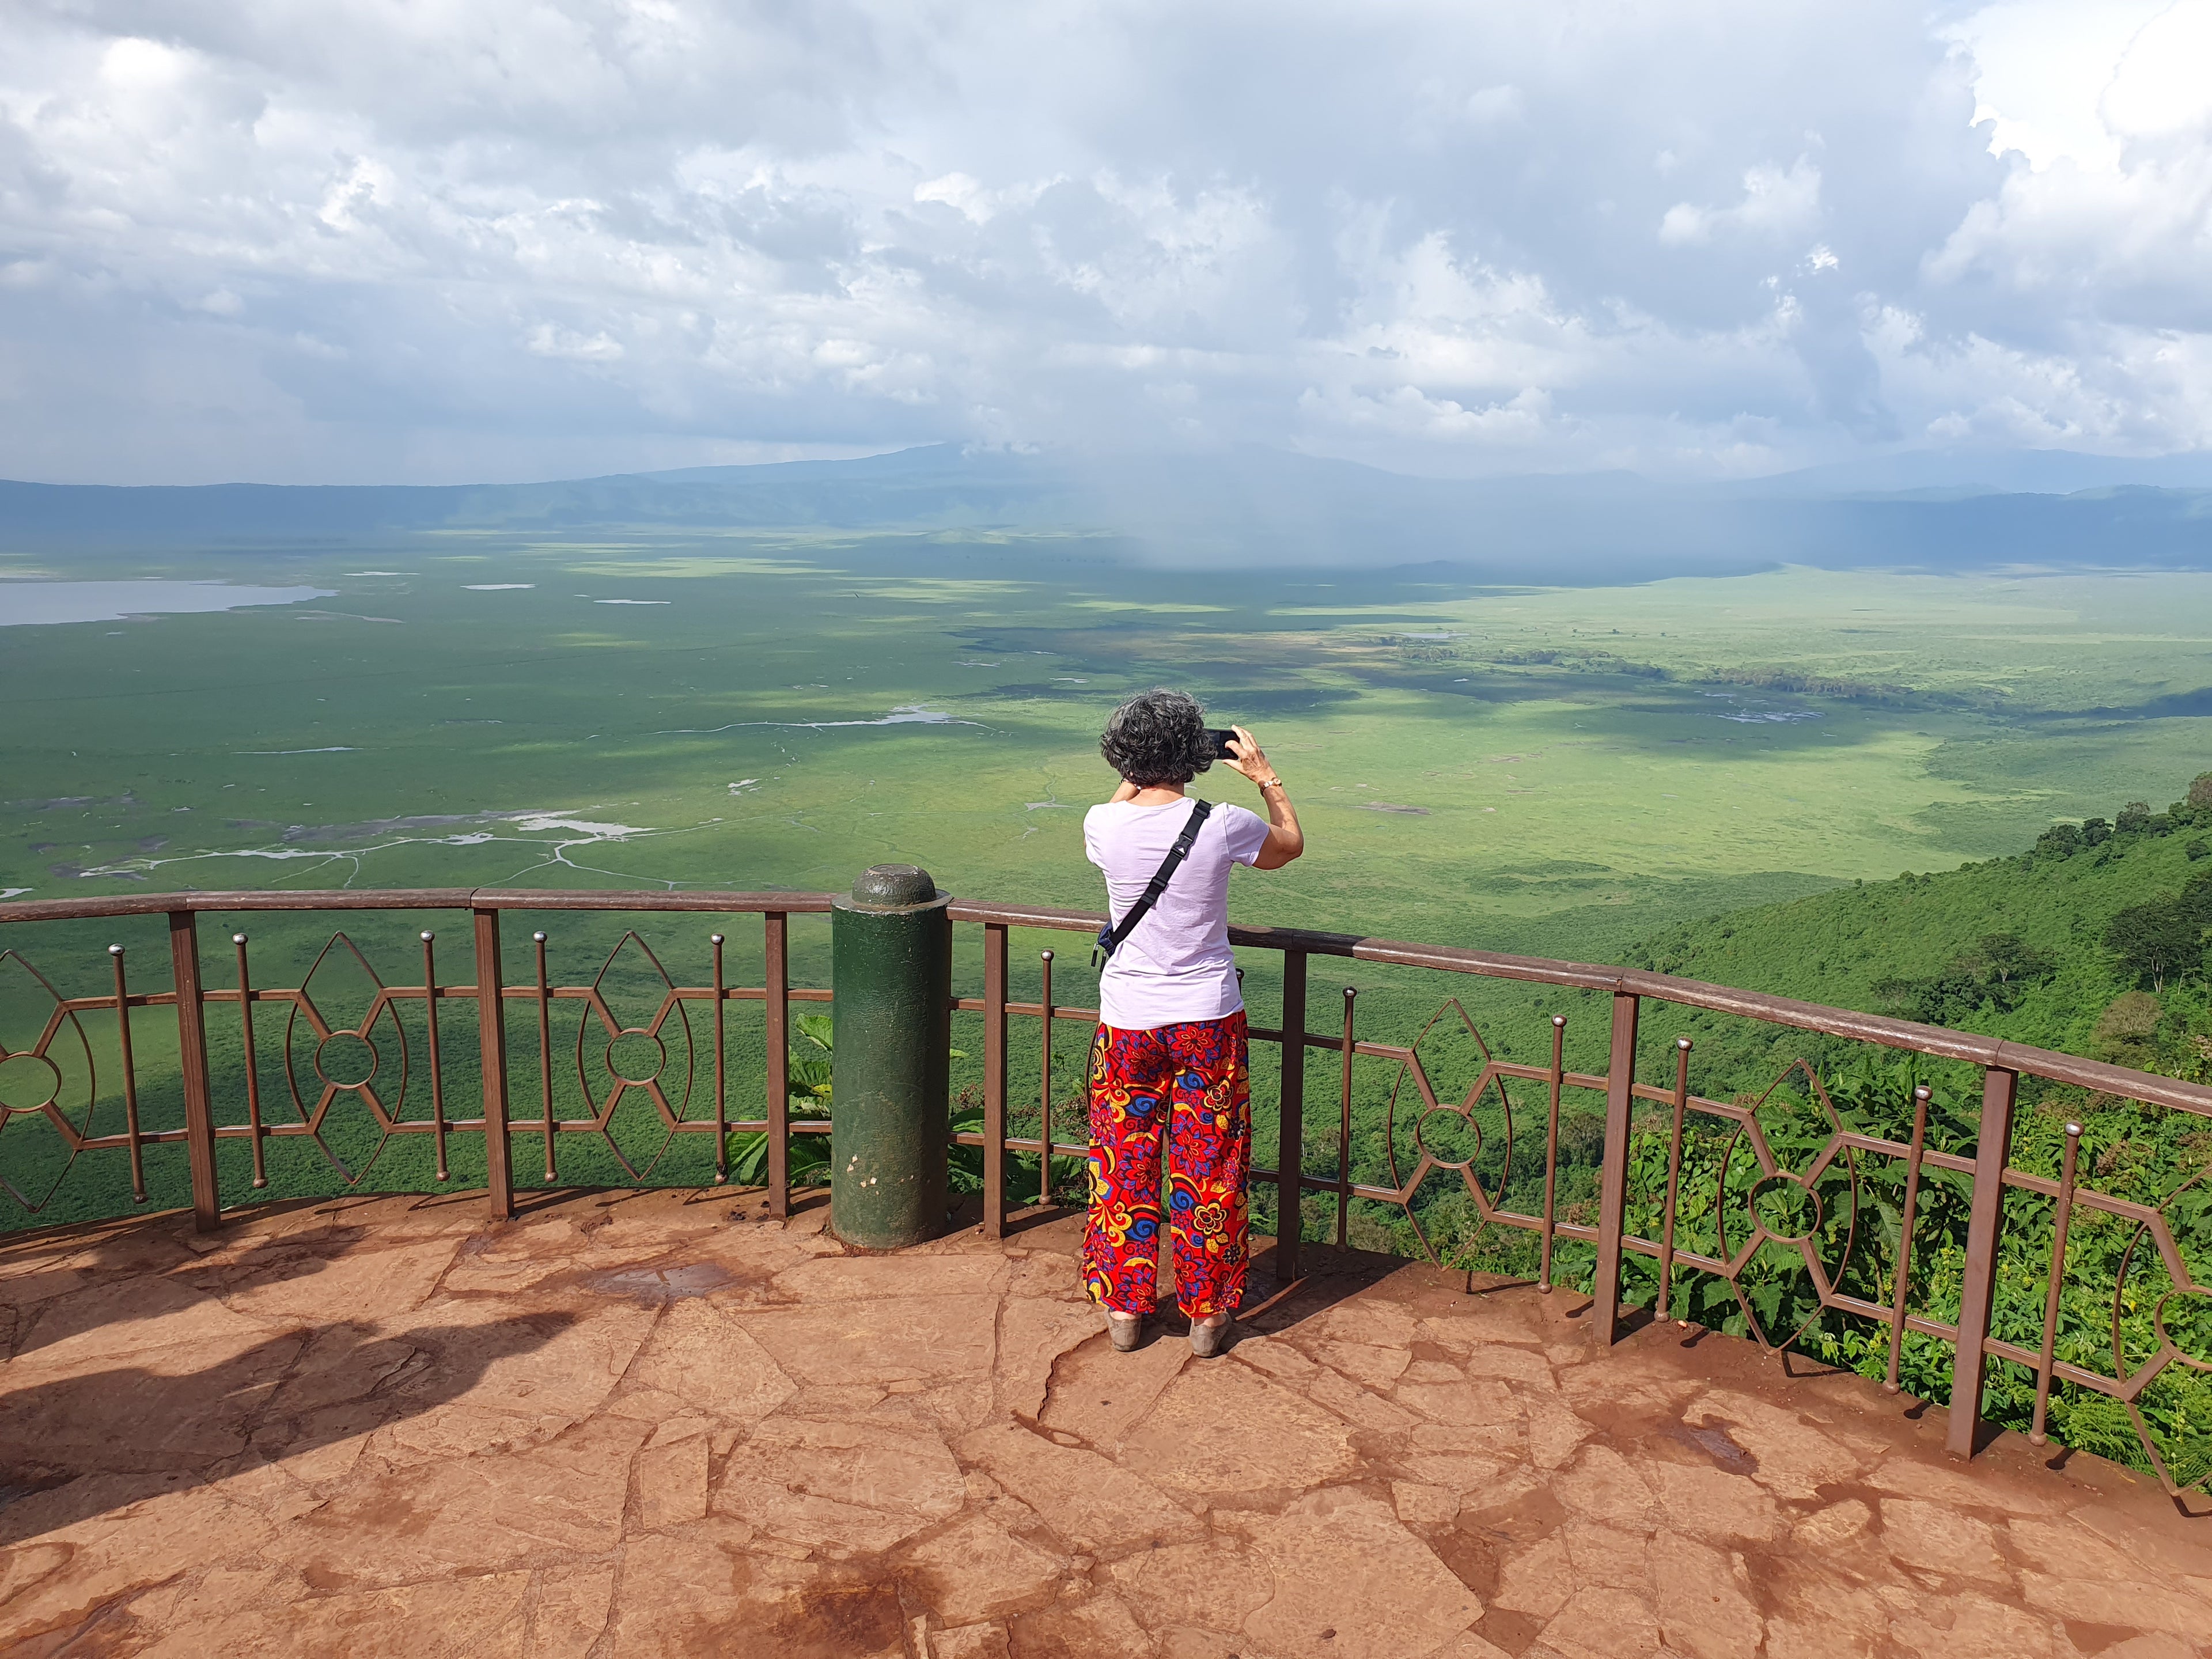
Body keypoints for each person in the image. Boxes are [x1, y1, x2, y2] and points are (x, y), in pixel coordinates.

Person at [1081, 689, 1304, 1357]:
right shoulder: (1224, 823)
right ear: (1192, 754)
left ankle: (1126, 1309)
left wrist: (1143, 766)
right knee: (1212, 1161)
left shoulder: (1102, 822)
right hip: (1207, 1017)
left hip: (1126, 1022)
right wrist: (1267, 778)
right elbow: (1288, 847)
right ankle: (1207, 1316)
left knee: (1124, 1159)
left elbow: (1126, 805)